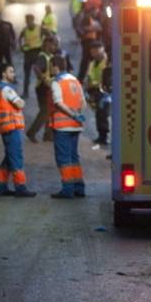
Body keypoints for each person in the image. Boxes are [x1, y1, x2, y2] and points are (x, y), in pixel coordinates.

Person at [0, 63, 36, 198]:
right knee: (16, 158)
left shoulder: (0, 88)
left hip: (7, 128)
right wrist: (21, 101)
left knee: (9, 158)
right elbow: (20, 103)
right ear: (3, 74)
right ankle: (20, 188)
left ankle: (1, 188)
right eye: (11, 72)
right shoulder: (7, 89)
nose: (14, 74)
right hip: (12, 128)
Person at [49, 55, 86, 199]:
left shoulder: (56, 82)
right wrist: (78, 115)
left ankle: (67, 189)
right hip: (76, 126)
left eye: (51, 67)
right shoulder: (75, 80)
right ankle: (79, 187)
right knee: (74, 157)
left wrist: (71, 114)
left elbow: (58, 103)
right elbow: (83, 102)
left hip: (62, 126)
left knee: (64, 159)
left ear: (55, 67)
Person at [27, 35, 57, 142]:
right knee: (45, 111)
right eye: (52, 44)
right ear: (47, 45)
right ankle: (31, 132)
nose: (54, 46)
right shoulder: (43, 57)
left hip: (47, 88)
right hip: (43, 88)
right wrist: (44, 79)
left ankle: (48, 135)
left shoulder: (49, 56)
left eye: (54, 44)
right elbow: (36, 68)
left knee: (49, 111)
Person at [85, 41, 110, 146]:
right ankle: (100, 136)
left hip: (105, 93)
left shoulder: (108, 62)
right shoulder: (92, 63)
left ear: (102, 49)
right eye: (92, 51)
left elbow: (108, 80)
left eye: (96, 51)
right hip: (94, 92)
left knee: (103, 115)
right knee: (99, 115)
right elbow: (89, 76)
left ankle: (104, 137)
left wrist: (93, 84)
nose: (94, 53)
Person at [77, 0, 102, 81]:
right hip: (88, 42)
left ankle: (84, 78)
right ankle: (82, 79)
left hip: (89, 42)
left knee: (87, 61)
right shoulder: (87, 18)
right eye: (95, 11)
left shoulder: (90, 18)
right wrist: (94, 28)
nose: (96, 13)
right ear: (92, 11)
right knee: (87, 61)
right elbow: (83, 28)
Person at [18, 14, 42, 99]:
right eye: (26, 21)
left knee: (39, 73)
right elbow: (20, 38)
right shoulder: (25, 30)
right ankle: (25, 93)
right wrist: (20, 46)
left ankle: (43, 92)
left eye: (29, 20)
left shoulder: (39, 28)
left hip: (37, 53)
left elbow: (49, 34)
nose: (27, 22)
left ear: (33, 20)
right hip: (28, 54)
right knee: (27, 74)